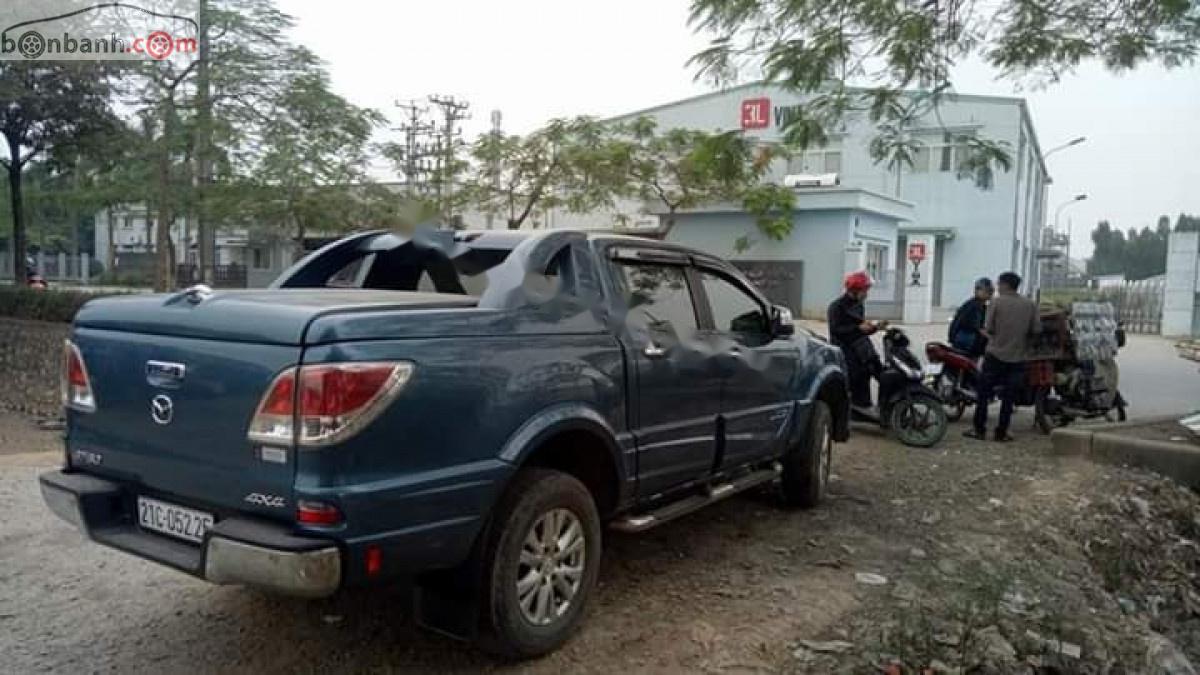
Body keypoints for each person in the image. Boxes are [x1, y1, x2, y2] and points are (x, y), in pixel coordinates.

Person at [966, 271, 1040, 442]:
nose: (997, 287)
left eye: (999, 284)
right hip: (1018, 357)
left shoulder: (996, 303)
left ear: (1005, 285)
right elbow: (1036, 330)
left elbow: (989, 328)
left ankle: (979, 429)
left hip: (995, 355)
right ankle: (1002, 431)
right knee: (1009, 397)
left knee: (983, 393)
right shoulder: (1029, 305)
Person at [828, 271, 888, 414]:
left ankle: (878, 407)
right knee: (858, 376)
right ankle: (856, 410)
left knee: (881, 372)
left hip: (863, 348)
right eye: (864, 290)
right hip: (847, 350)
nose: (866, 294)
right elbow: (837, 330)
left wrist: (875, 327)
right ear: (854, 290)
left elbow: (861, 328)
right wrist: (858, 328)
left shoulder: (859, 305)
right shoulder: (836, 307)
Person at [948, 277, 994, 357]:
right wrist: (992, 338)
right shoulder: (975, 306)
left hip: (960, 339)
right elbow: (978, 328)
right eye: (988, 291)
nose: (990, 293)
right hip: (966, 342)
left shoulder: (974, 303)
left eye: (991, 291)